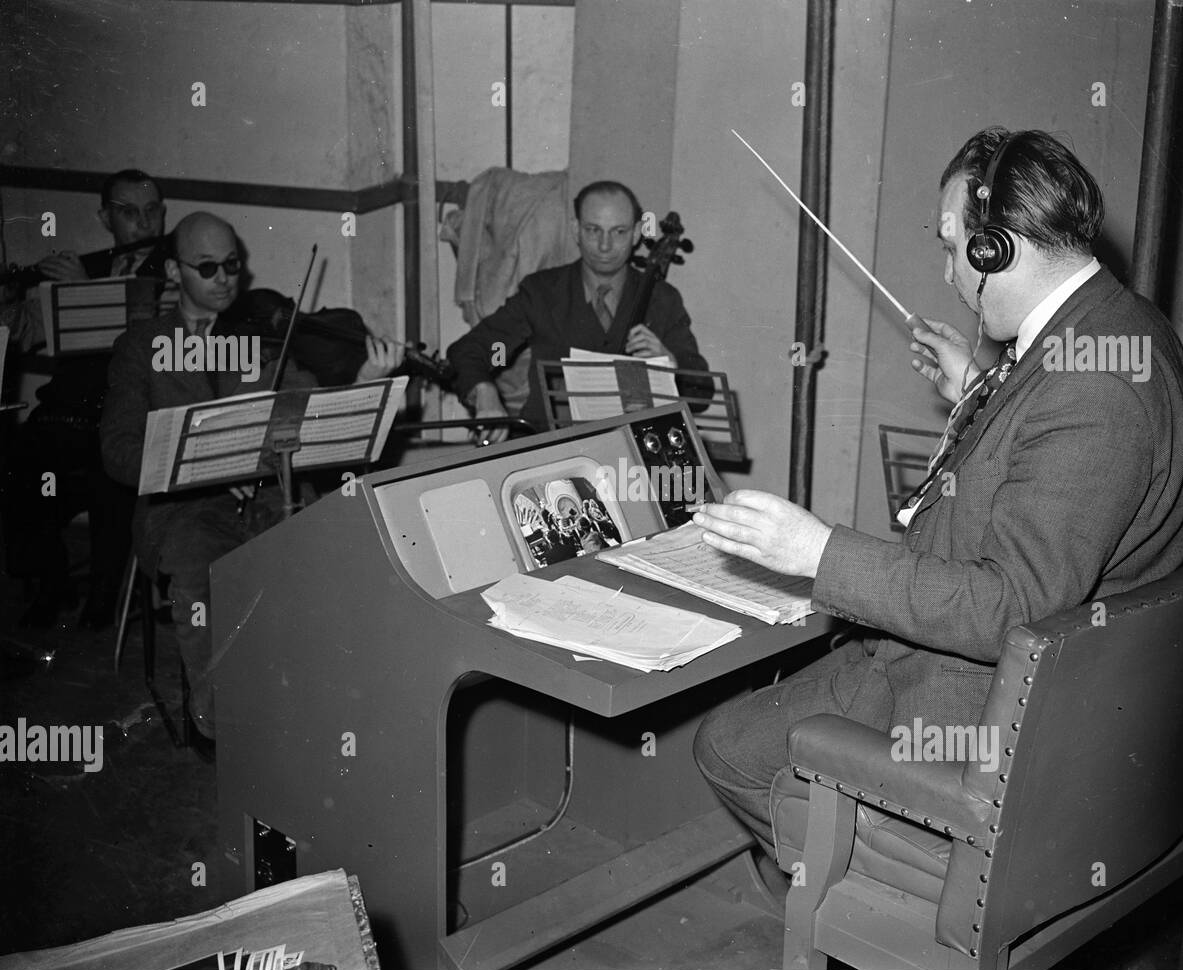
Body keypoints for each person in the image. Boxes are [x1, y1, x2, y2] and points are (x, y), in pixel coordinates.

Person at [691, 128, 1183, 873]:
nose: (946, 273)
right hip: (1049, 690)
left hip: (980, 717)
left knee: (728, 747)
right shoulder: (1118, 327)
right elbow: (1057, 456)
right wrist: (979, 390)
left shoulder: (1090, 390)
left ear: (996, 248)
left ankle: (874, 904)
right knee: (760, 717)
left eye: (950, 245)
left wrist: (817, 552)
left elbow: (1009, 606)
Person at [99, 211, 403, 742]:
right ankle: (222, 724)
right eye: (207, 267)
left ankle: (315, 708)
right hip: (183, 509)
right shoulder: (141, 347)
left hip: (268, 492)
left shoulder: (260, 339)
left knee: (321, 555)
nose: (223, 279)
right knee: (201, 576)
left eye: (232, 265)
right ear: (174, 271)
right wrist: (207, 465)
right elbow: (118, 451)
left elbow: (308, 409)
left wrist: (363, 381)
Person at [2, 170, 170, 629]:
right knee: (17, 469)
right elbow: (27, 335)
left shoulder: (172, 272)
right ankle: (50, 582)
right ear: (104, 217)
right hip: (66, 416)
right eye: (129, 212)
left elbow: (147, 342)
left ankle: (105, 595)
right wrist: (10, 300)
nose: (144, 222)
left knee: (110, 475)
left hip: (126, 419)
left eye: (152, 210)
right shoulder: (89, 265)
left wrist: (83, 292)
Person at [447, 180, 711, 442]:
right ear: (576, 230)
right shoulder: (542, 291)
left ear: (636, 233)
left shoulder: (662, 300)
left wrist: (670, 363)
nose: (605, 245)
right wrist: (485, 389)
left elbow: (703, 393)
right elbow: (477, 350)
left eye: (618, 231)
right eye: (593, 230)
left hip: (636, 450)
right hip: (550, 448)